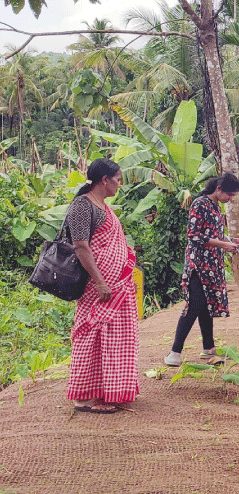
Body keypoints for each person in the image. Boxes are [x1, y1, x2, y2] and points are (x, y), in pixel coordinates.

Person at [66, 158, 139, 414]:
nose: (119, 185)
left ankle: (106, 391)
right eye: (117, 180)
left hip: (116, 285)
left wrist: (125, 278)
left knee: (112, 339)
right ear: (105, 180)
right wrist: (100, 281)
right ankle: (84, 398)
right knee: (91, 335)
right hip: (98, 287)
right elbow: (81, 246)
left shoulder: (104, 208)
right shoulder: (82, 206)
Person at [164, 173, 239, 367]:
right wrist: (222, 244)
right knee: (194, 305)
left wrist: (229, 241)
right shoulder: (200, 204)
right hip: (198, 265)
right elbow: (194, 236)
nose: (230, 199)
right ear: (218, 189)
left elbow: (213, 232)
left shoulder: (216, 206)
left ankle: (208, 348)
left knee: (206, 305)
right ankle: (175, 352)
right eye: (229, 194)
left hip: (212, 265)